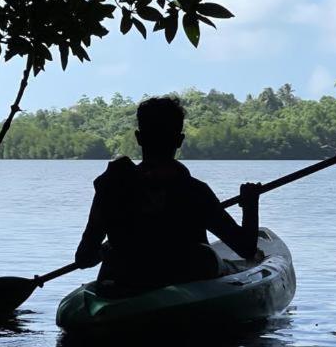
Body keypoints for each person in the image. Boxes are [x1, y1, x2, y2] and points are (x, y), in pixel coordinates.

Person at [74, 96, 261, 288]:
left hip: (126, 280)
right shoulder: (194, 191)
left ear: (139, 138)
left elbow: (84, 258)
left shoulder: (111, 187)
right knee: (209, 257)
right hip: (184, 279)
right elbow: (246, 249)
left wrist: (107, 249)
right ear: (179, 141)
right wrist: (250, 203)